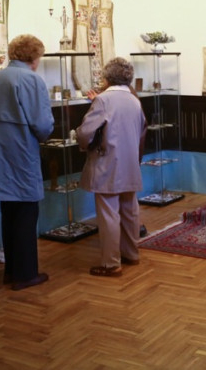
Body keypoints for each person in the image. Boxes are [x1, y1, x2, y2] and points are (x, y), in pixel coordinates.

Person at [0, 34, 55, 291]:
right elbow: (42, 123)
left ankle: (11, 271)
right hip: (19, 150)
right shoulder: (31, 79)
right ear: (34, 57)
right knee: (26, 210)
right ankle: (25, 274)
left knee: (8, 210)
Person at [76, 57, 147, 277]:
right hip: (130, 161)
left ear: (107, 78)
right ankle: (131, 253)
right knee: (130, 210)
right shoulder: (134, 100)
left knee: (109, 214)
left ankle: (111, 263)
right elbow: (142, 129)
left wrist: (81, 141)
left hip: (108, 162)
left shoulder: (103, 100)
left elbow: (86, 132)